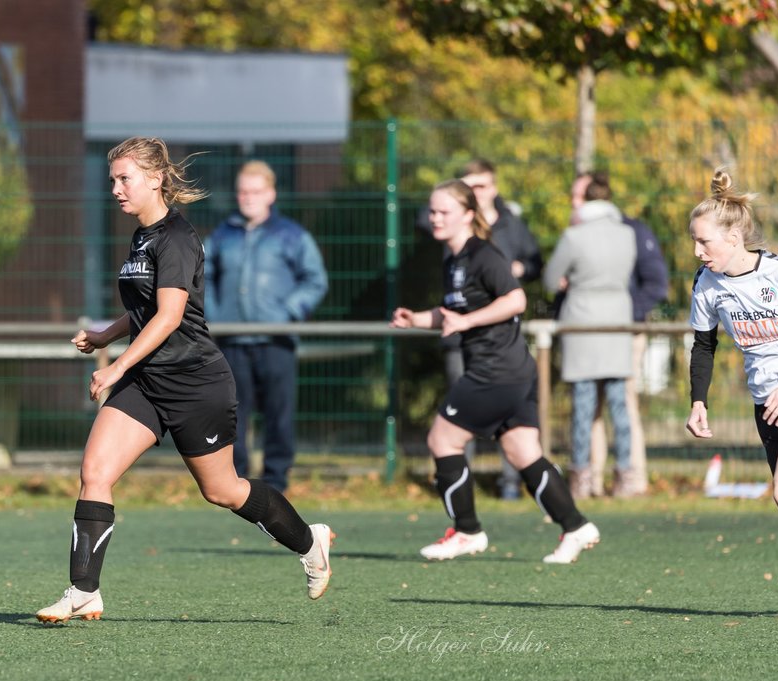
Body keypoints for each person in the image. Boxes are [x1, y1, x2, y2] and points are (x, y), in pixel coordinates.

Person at [36, 138, 334, 622]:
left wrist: (115, 365)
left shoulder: (176, 237)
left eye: (123, 178)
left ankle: (309, 541)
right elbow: (145, 309)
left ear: (155, 179)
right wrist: (106, 333)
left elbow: (170, 317)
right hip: (149, 385)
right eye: (112, 179)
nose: (115, 189)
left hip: (197, 384)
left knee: (223, 491)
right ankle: (83, 589)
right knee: (96, 472)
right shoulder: (142, 236)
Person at [391, 179, 599, 563]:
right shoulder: (453, 259)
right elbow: (454, 312)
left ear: (468, 215)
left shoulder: (483, 255)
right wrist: (417, 318)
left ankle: (467, 531)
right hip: (513, 370)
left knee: (442, 440)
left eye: (443, 212)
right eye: (432, 211)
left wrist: (467, 323)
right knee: (522, 451)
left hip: (495, 371)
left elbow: (515, 298)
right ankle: (575, 526)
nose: (434, 218)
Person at [203, 159, 328, 492]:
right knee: (232, 415)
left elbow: (315, 280)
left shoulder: (291, 235)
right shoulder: (222, 235)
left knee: (279, 414)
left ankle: (276, 482)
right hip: (231, 342)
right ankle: (237, 484)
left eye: (255, 191)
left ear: (271, 194)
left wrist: (288, 312)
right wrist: (214, 316)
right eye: (242, 191)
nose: (248, 198)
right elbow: (202, 276)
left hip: (276, 341)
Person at [686, 168, 778, 514]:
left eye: (704, 241)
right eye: (693, 241)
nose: (697, 251)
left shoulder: (775, 273)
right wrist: (699, 402)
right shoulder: (707, 283)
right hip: (765, 403)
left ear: (734, 237)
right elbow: (704, 345)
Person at [570, 172, 669, 497]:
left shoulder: (633, 232)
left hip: (624, 330)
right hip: (585, 332)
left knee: (622, 401)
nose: (573, 203)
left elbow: (656, 283)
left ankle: (631, 481)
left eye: (579, 197)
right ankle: (590, 483)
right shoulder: (576, 235)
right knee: (589, 406)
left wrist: (622, 314)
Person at [543, 175, 637, 500]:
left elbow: (551, 278)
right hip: (617, 320)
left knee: (583, 405)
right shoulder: (627, 234)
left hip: (582, 321)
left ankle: (580, 480)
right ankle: (625, 478)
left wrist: (571, 280)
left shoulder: (574, 235)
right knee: (618, 404)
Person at [456, 158, 544, 501]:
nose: (475, 193)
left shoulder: (511, 224)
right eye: (468, 187)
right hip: (463, 338)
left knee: (510, 416)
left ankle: (511, 483)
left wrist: (520, 268)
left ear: (493, 187)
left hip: (503, 339)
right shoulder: (454, 226)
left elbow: (536, 264)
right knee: (457, 417)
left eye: (480, 186)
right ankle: (461, 487)